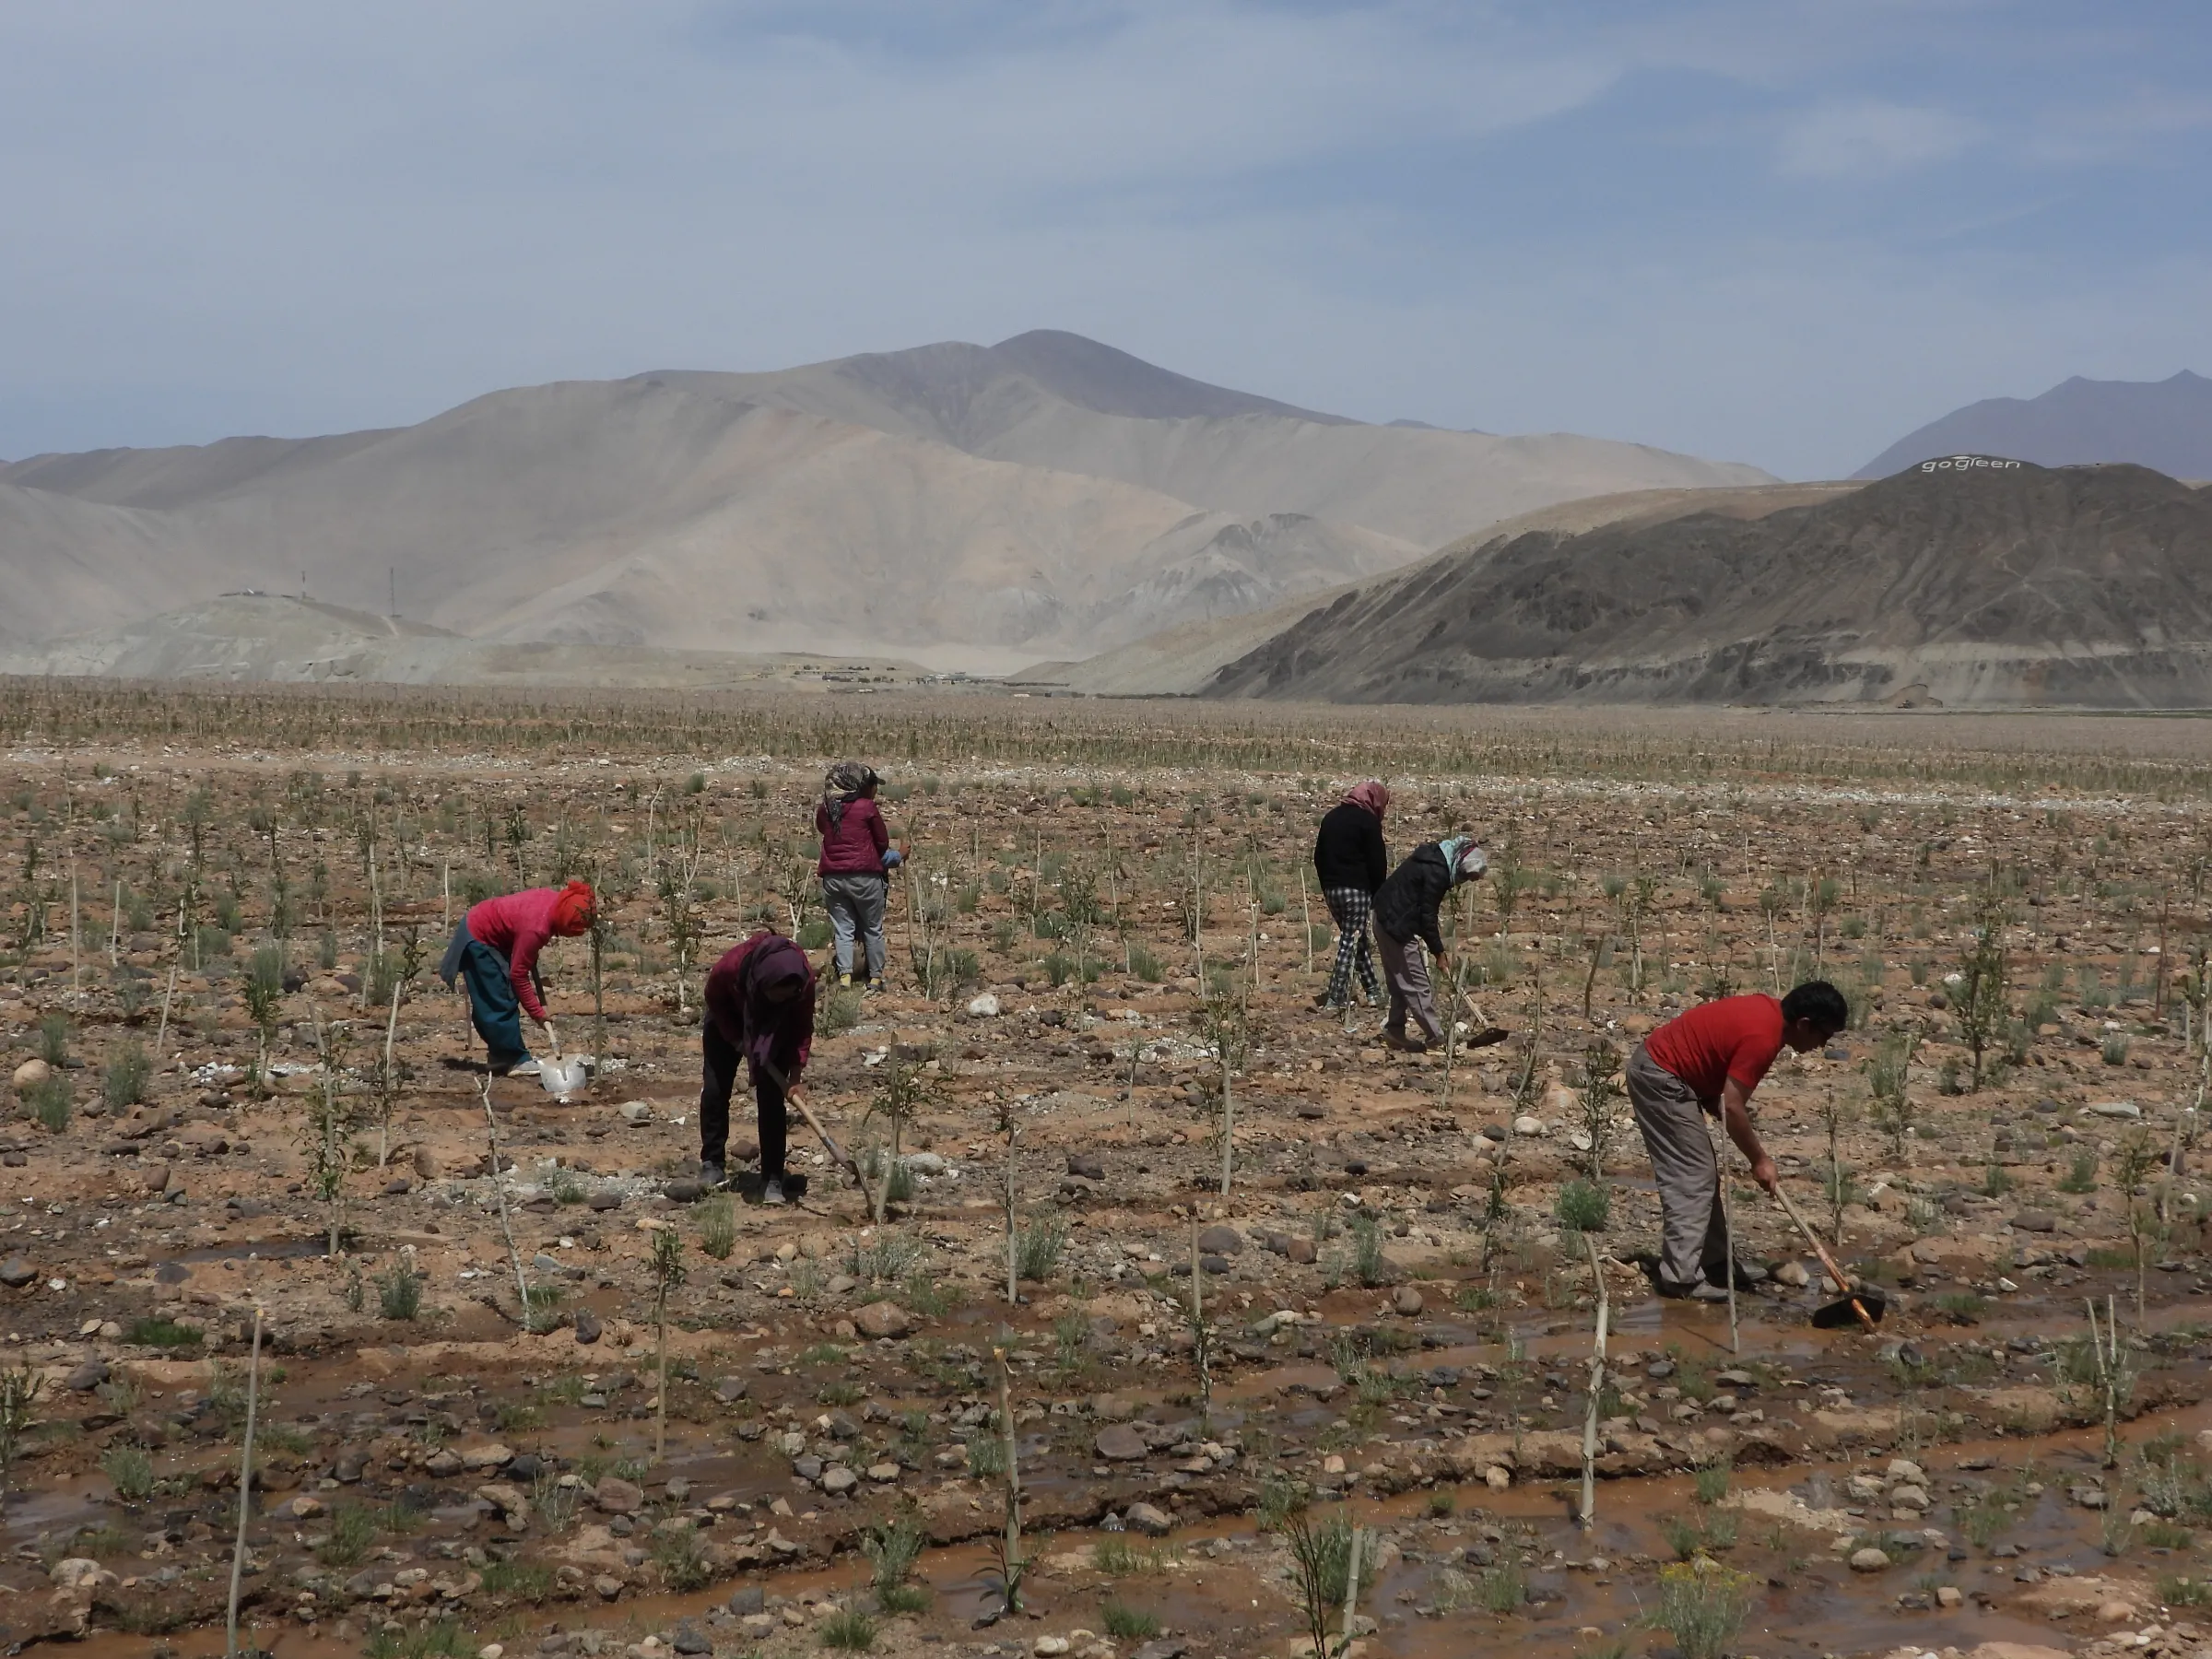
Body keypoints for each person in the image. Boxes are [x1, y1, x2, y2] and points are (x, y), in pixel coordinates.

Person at [1628, 981, 1850, 1301]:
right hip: (1660, 1077)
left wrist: (1709, 1099)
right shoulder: (1763, 1036)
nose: (1822, 1045)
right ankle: (1680, 1278)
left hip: (1672, 1075)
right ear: (1804, 1024)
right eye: (1823, 1036)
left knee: (1701, 1172)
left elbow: (1717, 1064)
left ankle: (1714, 1263)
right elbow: (1732, 1107)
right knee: (1692, 1175)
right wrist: (1759, 1160)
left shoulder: (1768, 1014)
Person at [700, 930, 816, 1203]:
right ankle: (712, 1163)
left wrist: (796, 1076)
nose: (782, 998)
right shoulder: (731, 968)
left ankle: (773, 1177)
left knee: (772, 1097)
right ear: (762, 985)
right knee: (716, 1090)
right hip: (727, 1018)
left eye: (787, 996)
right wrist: (737, 1039)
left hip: (775, 1027)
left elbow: (801, 1027)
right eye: (777, 995)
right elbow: (713, 998)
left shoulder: (803, 981)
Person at [439, 879, 595, 1077]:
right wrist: (537, 1013)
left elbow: (521, 932)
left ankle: (499, 1056)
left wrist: (529, 953)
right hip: (479, 938)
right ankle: (514, 1059)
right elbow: (518, 976)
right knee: (498, 998)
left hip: (487, 929)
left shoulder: (553, 901)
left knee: (494, 995)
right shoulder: (536, 929)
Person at [1371, 835, 1488, 1052]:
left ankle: (1395, 1030)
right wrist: (1439, 953)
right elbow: (1428, 917)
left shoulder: (1434, 859)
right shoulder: (1437, 872)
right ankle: (1437, 1038)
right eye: (1467, 875)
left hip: (1383, 916)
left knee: (1399, 981)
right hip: (1395, 924)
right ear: (1461, 862)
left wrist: (1436, 950)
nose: (1464, 880)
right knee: (1416, 983)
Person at [816, 760, 900, 989]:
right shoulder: (867, 808)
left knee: (843, 929)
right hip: (865, 877)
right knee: (873, 928)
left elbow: (823, 830)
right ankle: (874, 977)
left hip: (833, 878)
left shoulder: (826, 808)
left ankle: (845, 976)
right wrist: (897, 856)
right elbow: (882, 842)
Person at [1312, 782, 1390, 1010]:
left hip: (1332, 890)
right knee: (1349, 942)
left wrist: (1327, 884)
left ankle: (1373, 992)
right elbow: (1378, 863)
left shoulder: (1331, 817)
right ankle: (1336, 998)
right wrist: (1378, 893)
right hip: (1356, 890)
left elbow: (1319, 856)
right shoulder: (1367, 821)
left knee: (1358, 940)